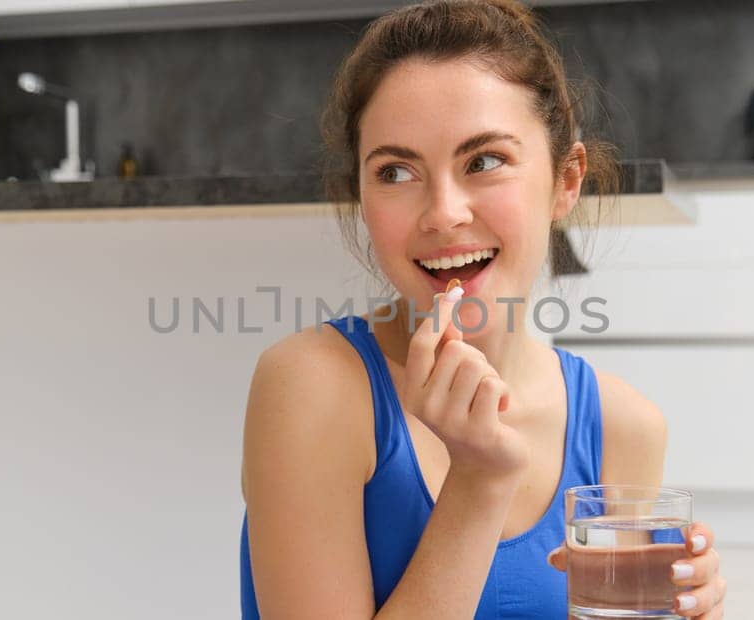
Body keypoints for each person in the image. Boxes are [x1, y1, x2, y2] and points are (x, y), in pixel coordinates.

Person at [239, 1, 726, 617]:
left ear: (566, 179)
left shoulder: (624, 427)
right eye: (395, 171)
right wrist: (478, 482)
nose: (443, 213)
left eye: (485, 161)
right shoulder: (312, 386)